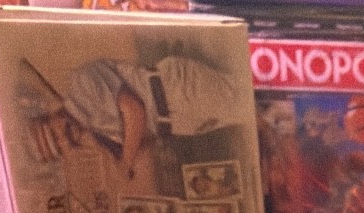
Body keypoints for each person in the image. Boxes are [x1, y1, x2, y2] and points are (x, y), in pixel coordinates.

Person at [21, 54, 244, 180]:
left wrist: (125, 163)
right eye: (59, 147)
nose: (63, 139)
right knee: (246, 113)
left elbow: (134, 111)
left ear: (50, 115)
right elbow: (144, 138)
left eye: (53, 134)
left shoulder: (82, 84)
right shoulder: (93, 127)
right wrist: (122, 158)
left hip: (173, 90)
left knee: (245, 100)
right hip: (177, 122)